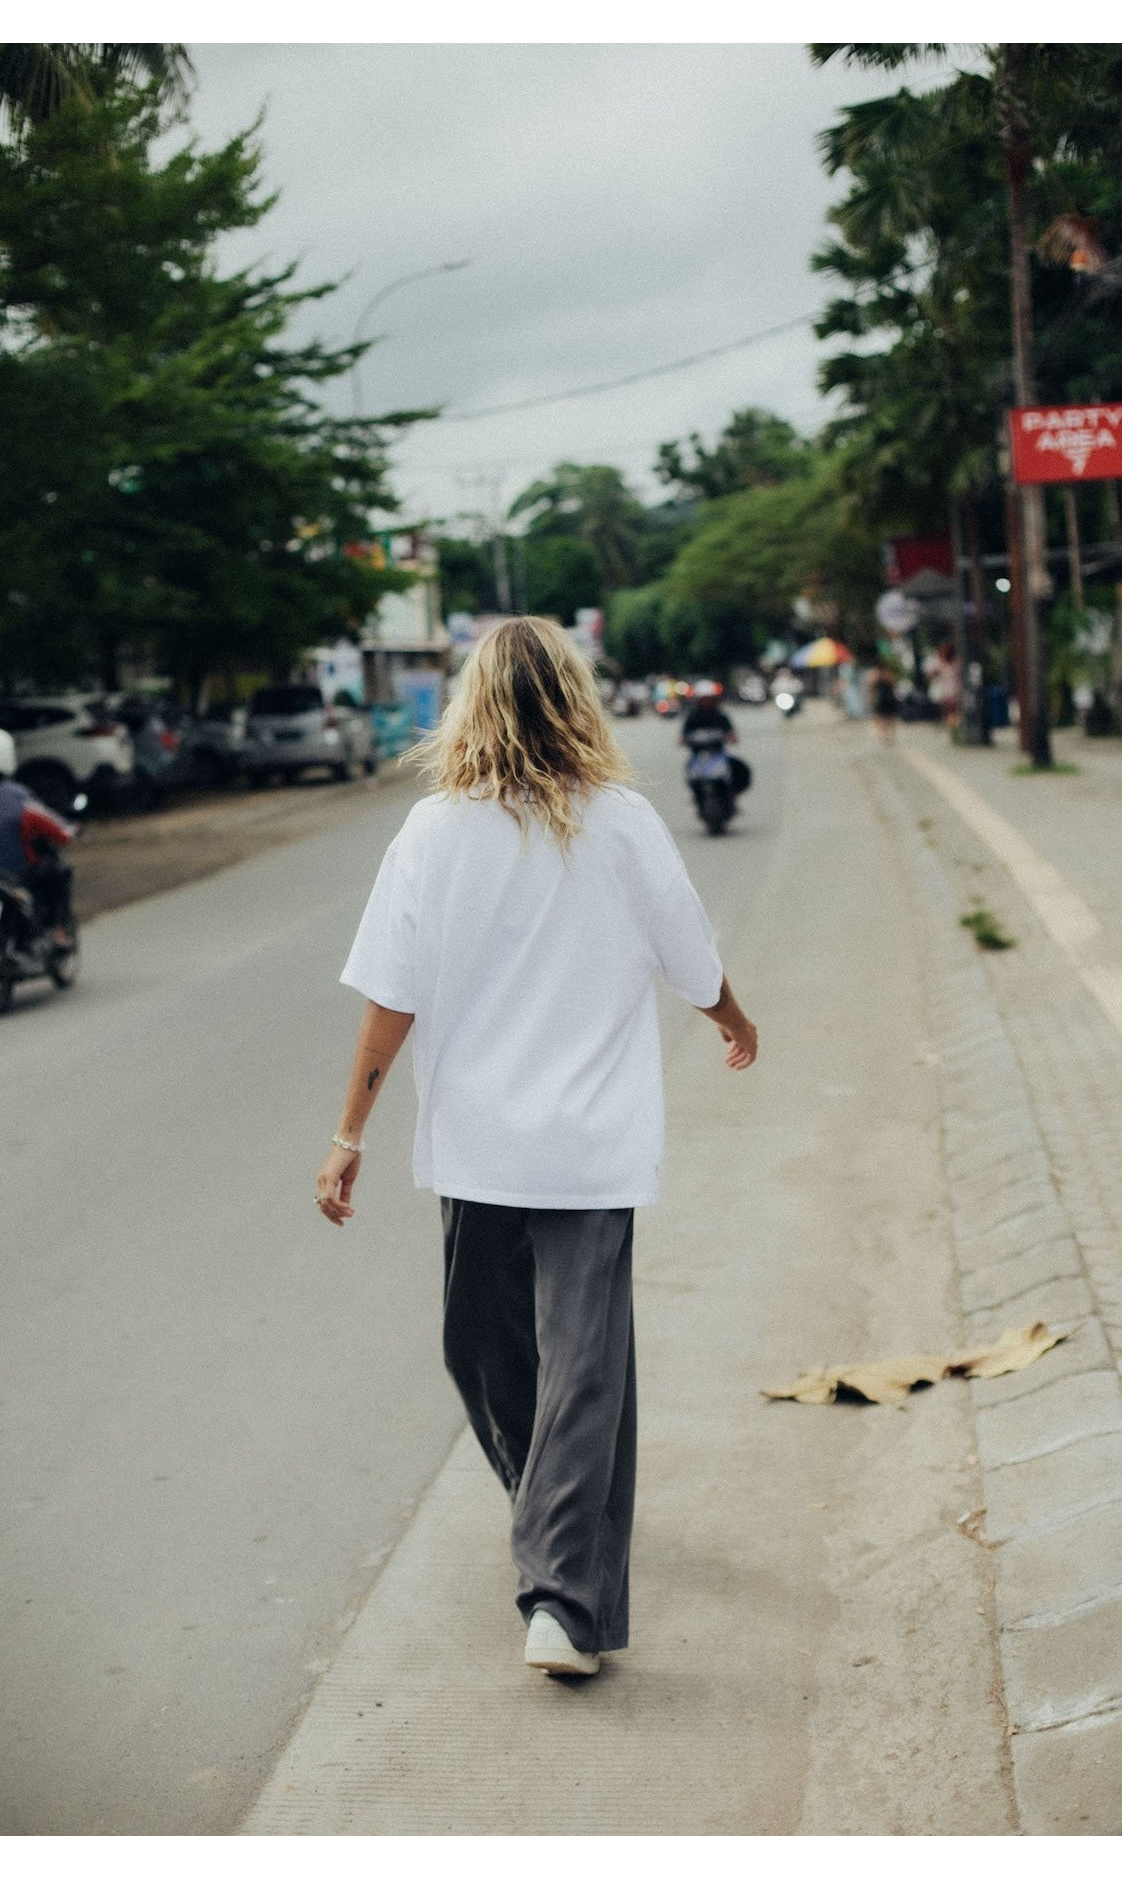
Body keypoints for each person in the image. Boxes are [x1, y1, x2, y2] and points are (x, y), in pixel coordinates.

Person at [315, 617, 758, 1679]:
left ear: (472, 701)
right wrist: (350, 1130)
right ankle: (561, 1514)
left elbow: (689, 954)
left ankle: (561, 1593)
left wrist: (729, 1014)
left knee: (580, 1362)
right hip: (489, 1146)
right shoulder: (435, 831)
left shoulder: (619, 823)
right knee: (486, 1352)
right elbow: (395, 994)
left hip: (577, 1149)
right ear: (574, 697)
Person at [0, 727, 76, 945]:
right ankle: (57, 930)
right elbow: (59, 830)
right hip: (13, 873)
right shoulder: (17, 795)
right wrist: (71, 830)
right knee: (58, 872)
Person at [679, 686, 752, 801]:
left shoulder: (721, 716)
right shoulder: (692, 717)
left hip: (718, 754)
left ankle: (732, 796)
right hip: (698, 755)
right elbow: (683, 736)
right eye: (703, 699)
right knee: (690, 773)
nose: (706, 702)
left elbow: (732, 734)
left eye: (708, 699)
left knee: (737, 770)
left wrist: (731, 738)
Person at [868, 663, 900, 745]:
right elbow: (871, 687)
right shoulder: (875, 675)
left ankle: (889, 735)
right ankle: (883, 735)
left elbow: (894, 684)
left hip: (888, 697)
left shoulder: (888, 674)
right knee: (881, 717)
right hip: (879, 697)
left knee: (890, 716)